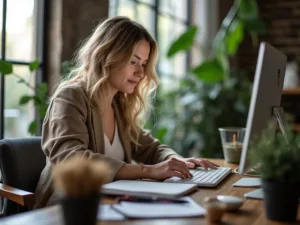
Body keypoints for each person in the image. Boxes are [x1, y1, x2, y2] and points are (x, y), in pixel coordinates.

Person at [34, 16, 218, 208]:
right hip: (69, 209)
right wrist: (148, 171)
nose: (141, 72)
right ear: (107, 55)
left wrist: (179, 162)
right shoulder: (71, 96)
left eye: (144, 63)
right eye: (133, 61)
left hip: (111, 205)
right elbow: (71, 158)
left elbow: (150, 147)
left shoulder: (119, 104)